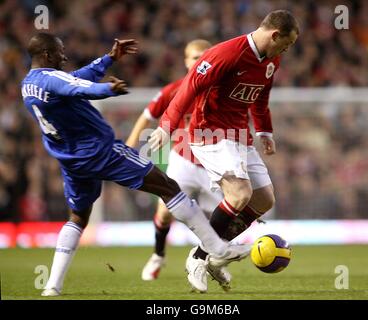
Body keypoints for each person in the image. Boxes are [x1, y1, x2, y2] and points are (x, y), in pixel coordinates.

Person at [21, 33, 250, 297]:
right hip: (100, 151)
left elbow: (76, 79)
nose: (64, 56)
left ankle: (52, 285)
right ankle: (217, 248)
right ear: (48, 55)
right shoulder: (52, 78)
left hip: (71, 160)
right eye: (60, 51)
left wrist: (109, 59)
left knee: (78, 218)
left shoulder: (28, 84)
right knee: (168, 186)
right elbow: (79, 87)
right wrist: (108, 89)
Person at [149, 10, 299, 292]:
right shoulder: (226, 54)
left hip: (239, 135)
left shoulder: (271, 60)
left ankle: (215, 256)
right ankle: (201, 256)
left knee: (264, 199)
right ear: (274, 35)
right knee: (240, 194)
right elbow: (188, 89)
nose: (286, 50)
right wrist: (166, 126)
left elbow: (260, 98)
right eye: (286, 44)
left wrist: (265, 131)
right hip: (209, 132)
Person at [126, 39, 226, 285]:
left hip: (215, 165)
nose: (199, 61)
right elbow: (147, 115)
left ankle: (205, 260)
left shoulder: (223, 90)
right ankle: (158, 255)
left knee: (224, 220)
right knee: (165, 211)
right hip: (183, 162)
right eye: (194, 57)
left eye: (204, 56)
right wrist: (129, 145)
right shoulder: (175, 89)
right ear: (185, 61)